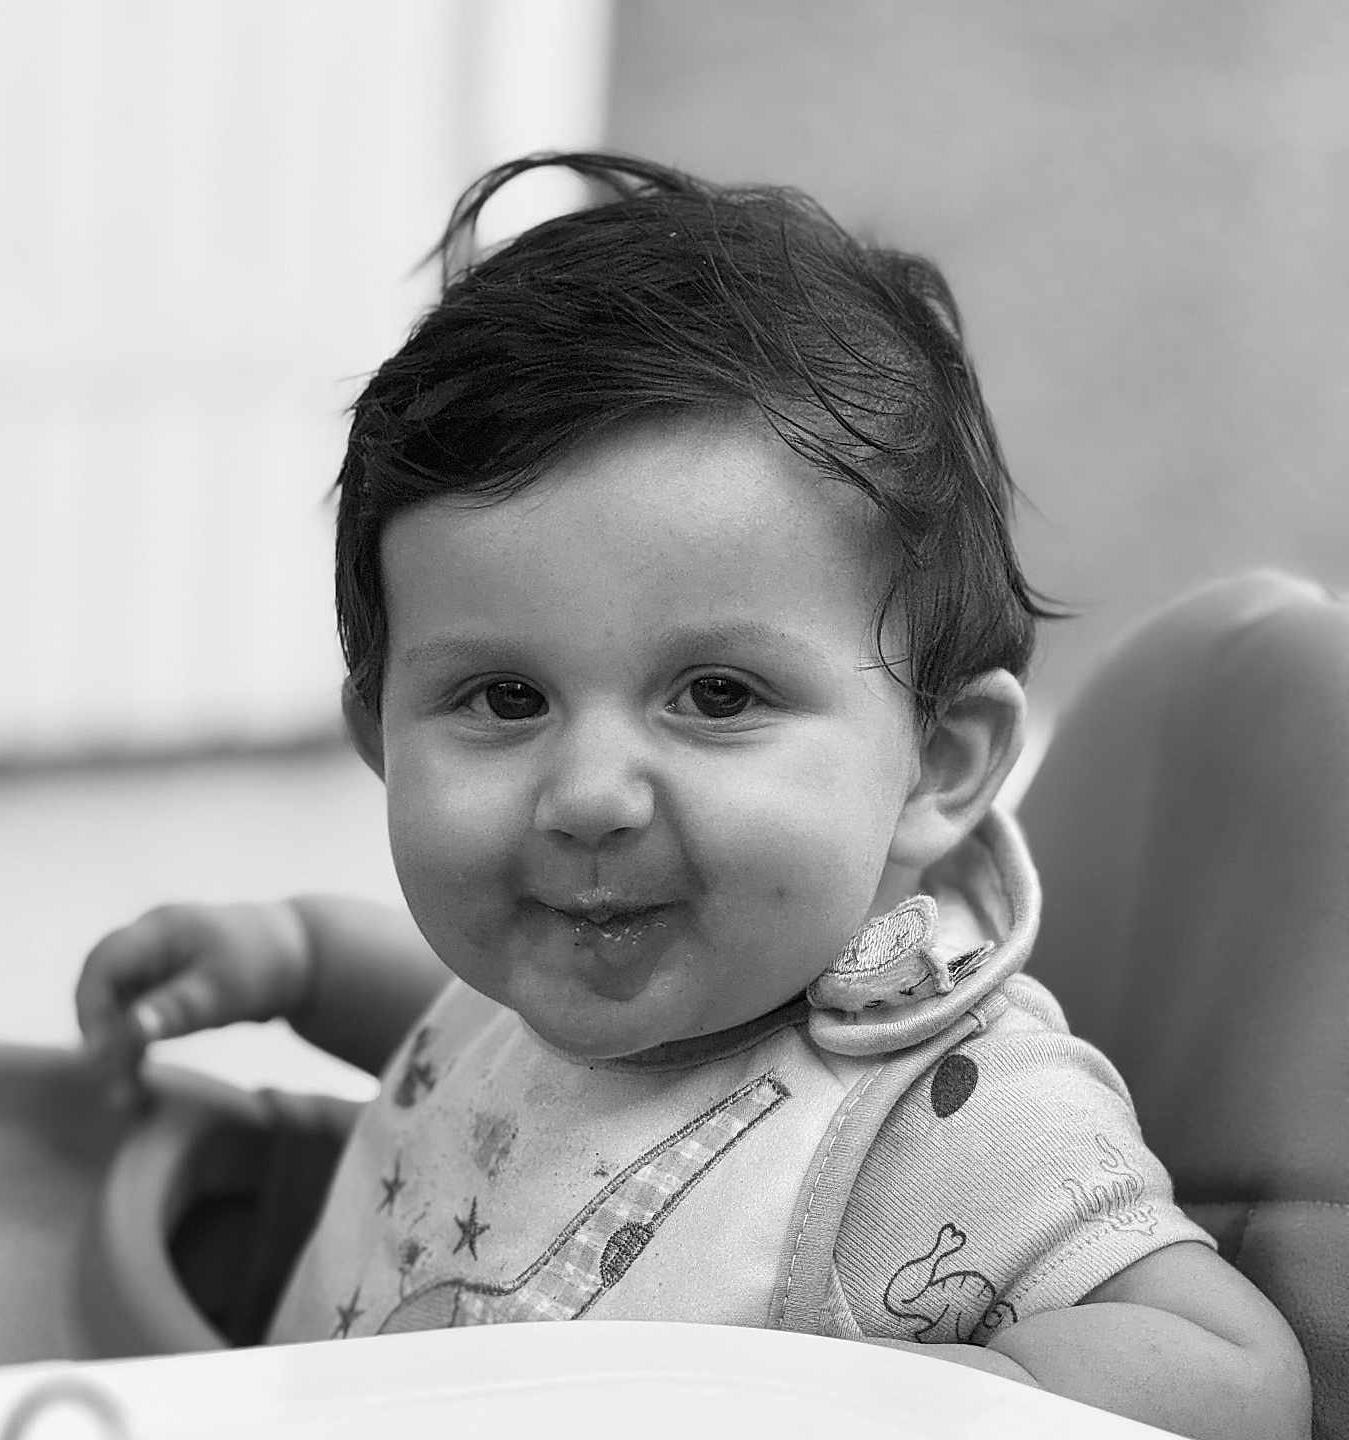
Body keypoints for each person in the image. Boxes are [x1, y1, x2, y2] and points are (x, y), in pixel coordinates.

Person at [76, 153, 1310, 1438]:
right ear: (381, 739)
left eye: (717, 695)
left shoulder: (934, 1113)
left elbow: (1237, 1373)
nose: (592, 795)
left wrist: (941, 1407)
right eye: (504, 699)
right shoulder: (590, 964)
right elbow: (507, 1066)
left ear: (934, 767)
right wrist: (297, 959)